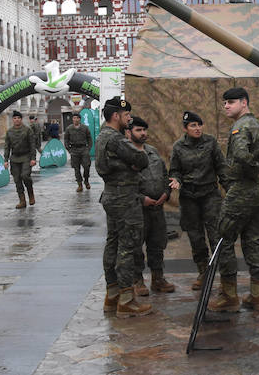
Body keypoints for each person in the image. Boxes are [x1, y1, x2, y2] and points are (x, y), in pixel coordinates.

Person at [209, 87, 259, 313]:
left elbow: (240, 155)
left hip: (241, 192)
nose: (226, 106)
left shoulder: (240, 127)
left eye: (231, 102)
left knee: (223, 239)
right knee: (253, 239)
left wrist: (258, 171)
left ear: (244, 103)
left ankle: (229, 296)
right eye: (225, 103)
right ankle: (257, 295)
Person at [95, 96, 152, 318]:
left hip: (111, 195)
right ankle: (127, 299)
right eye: (127, 115)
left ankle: (112, 295)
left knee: (113, 243)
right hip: (125, 198)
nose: (129, 118)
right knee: (128, 246)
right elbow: (142, 159)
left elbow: (107, 166)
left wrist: (128, 163)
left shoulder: (102, 136)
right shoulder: (116, 139)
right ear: (116, 116)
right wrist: (132, 163)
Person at [169, 110, 226, 290]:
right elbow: (174, 170)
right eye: (193, 125)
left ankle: (224, 275)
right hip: (189, 198)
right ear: (185, 128)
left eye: (199, 124)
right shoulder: (178, 147)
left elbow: (221, 167)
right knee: (195, 237)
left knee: (216, 234)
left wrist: (229, 188)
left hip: (210, 195)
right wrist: (176, 180)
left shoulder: (210, 142)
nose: (197, 128)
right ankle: (203, 272)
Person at [128, 116, 176, 295]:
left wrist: (166, 192)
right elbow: (123, 183)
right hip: (137, 209)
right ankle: (137, 281)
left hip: (157, 207)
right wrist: (141, 199)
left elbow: (164, 174)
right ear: (129, 132)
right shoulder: (126, 153)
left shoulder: (153, 152)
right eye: (138, 130)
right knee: (135, 246)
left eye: (144, 130)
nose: (143, 134)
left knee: (157, 244)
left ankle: (158, 279)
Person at [5, 110, 38, 209]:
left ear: (21, 119)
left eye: (18, 118)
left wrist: (33, 158)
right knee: (17, 180)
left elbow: (32, 145)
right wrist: (5, 160)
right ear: (12, 120)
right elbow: (7, 147)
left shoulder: (27, 130)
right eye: (15, 118)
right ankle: (22, 201)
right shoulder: (9, 132)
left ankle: (30, 193)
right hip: (15, 158)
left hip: (26, 157)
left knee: (25, 176)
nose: (16, 120)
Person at [64, 112, 93, 192]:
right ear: (72, 119)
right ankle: (79, 184)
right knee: (76, 168)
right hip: (74, 150)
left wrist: (88, 148)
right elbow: (66, 139)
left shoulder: (85, 128)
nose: (75, 120)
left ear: (80, 119)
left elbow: (89, 139)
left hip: (84, 149)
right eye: (74, 118)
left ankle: (86, 180)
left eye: (77, 118)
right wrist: (69, 149)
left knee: (87, 166)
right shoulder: (69, 129)